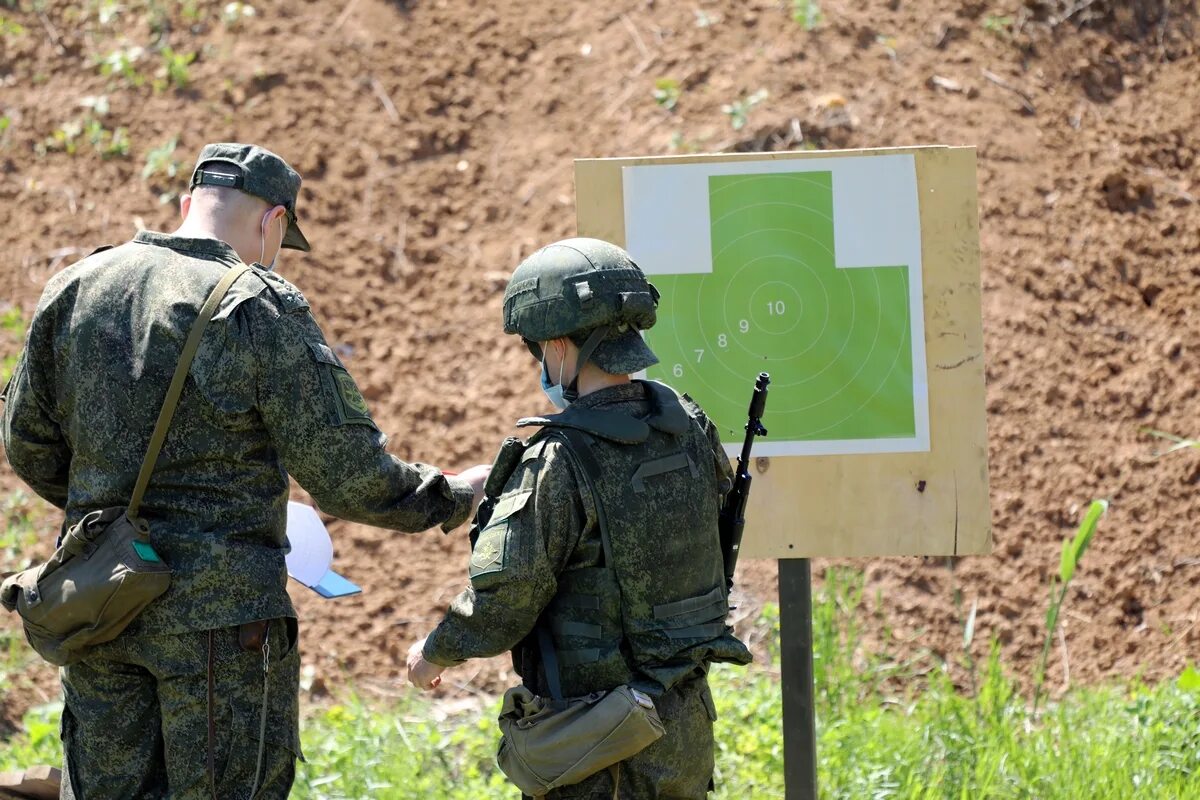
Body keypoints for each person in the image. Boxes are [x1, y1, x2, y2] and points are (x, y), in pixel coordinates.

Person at [0, 142, 490, 799]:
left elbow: (27, 439)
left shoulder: (78, 287)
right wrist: (455, 496)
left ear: (186, 205)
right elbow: (348, 477)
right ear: (275, 223)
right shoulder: (257, 304)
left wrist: (109, 523)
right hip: (221, 628)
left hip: (99, 605)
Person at [407, 238, 752, 798]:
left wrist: (434, 652)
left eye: (539, 348)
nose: (541, 362)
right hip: (684, 732)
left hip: (600, 748)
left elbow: (504, 601)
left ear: (563, 349)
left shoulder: (560, 459)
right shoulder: (690, 427)